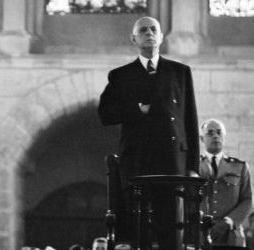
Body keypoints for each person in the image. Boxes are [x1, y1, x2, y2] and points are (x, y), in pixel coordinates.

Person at [98, 16, 199, 249]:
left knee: (172, 229)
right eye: (143, 30)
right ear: (134, 39)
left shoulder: (180, 72)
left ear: (162, 36)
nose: (149, 33)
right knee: (140, 228)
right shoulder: (121, 75)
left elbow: (190, 120)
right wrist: (136, 110)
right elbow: (105, 115)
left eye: (154, 29)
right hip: (138, 160)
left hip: (172, 161)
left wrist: (192, 165)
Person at [199, 119, 253, 247]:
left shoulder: (239, 167)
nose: (215, 136)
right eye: (210, 133)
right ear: (202, 139)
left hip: (231, 234)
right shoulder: (194, 167)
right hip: (199, 233)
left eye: (219, 132)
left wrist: (228, 222)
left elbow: (247, 200)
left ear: (225, 137)